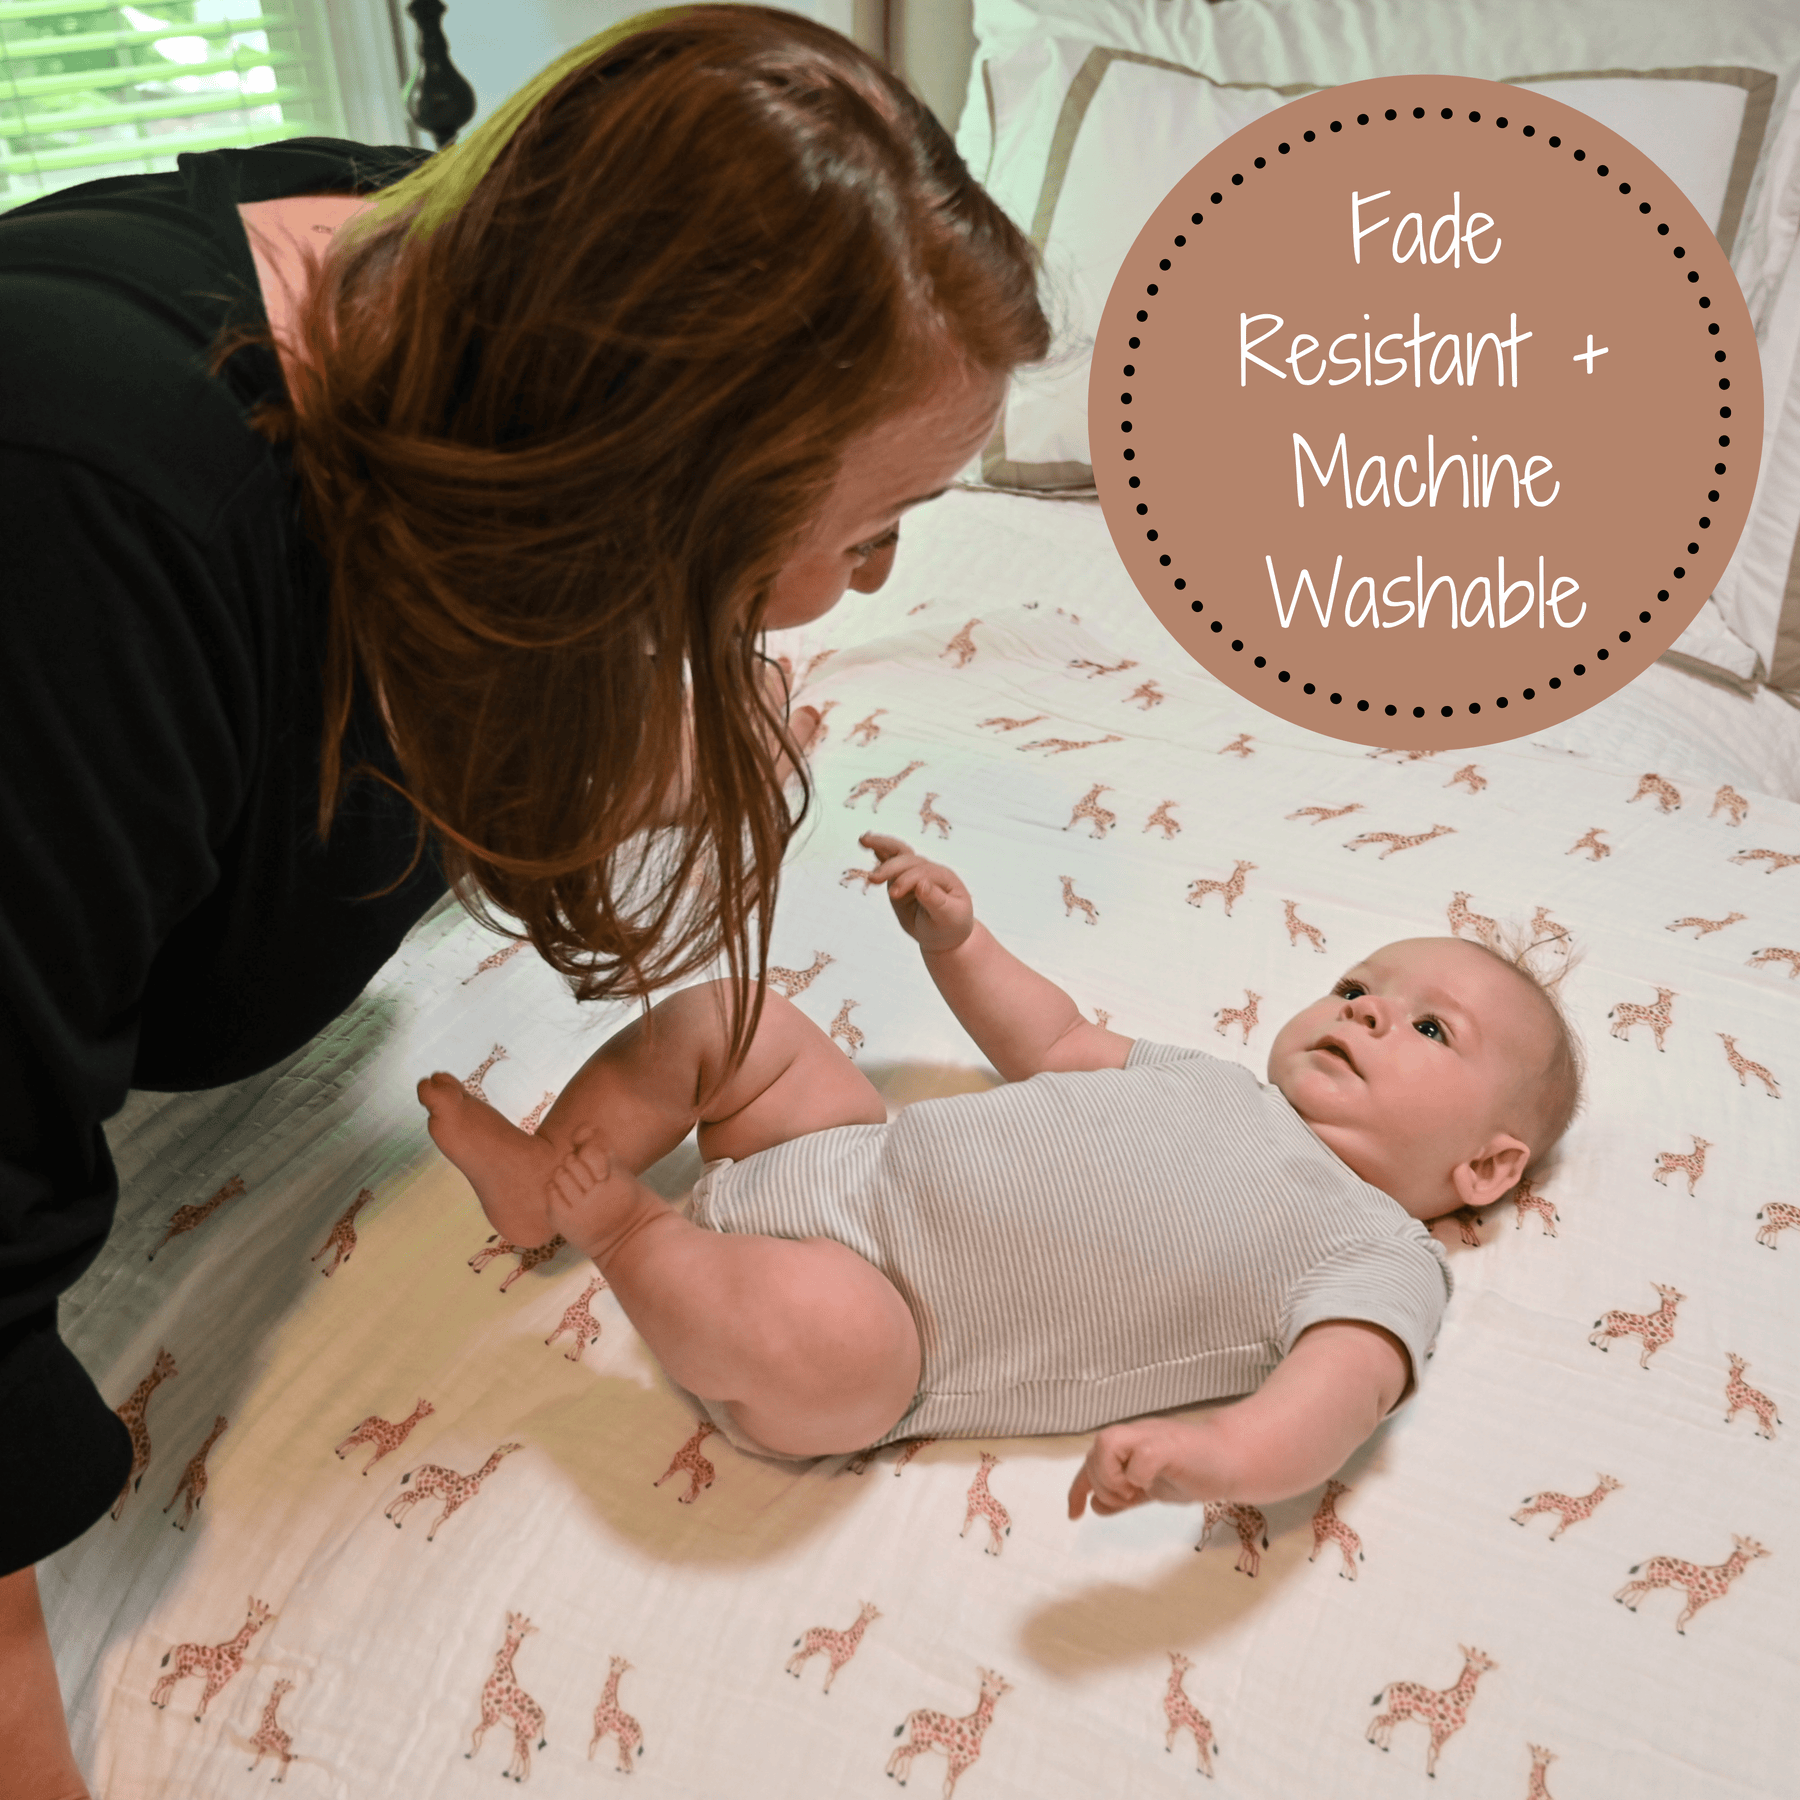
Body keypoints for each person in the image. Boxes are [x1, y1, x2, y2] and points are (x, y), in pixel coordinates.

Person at [0, 9, 1048, 1793]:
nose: (857, 593)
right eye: (867, 529)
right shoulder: (96, 507)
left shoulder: (472, 286)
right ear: (646, 467)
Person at [418, 831, 1585, 1517]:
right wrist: (961, 944)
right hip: (829, 1155)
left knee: (839, 1342)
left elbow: (1338, 1398)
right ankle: (541, 1179)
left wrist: (1219, 1457)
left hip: (875, 1331)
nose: (1368, 1011)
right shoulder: (1217, 1079)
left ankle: (627, 1234)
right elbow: (1057, 1039)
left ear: (1487, 1166)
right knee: (739, 1017)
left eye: (1431, 1030)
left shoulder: (1378, 1250)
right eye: (1357, 987)